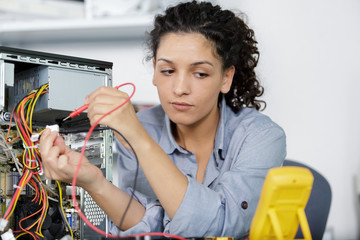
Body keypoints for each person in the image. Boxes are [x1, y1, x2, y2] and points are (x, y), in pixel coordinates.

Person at [39, 1, 286, 238]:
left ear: (226, 78)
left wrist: (138, 137)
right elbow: (149, 224)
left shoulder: (261, 137)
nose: (179, 88)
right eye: (167, 71)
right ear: (155, 70)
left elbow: (219, 226)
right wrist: (93, 181)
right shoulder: (142, 127)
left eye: (200, 73)